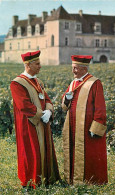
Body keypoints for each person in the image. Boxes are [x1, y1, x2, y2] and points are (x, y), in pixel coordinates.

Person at [10, 50, 60, 189]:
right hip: (29, 124)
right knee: (31, 152)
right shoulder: (17, 83)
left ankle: (46, 179)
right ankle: (31, 182)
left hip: (42, 122)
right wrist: (40, 115)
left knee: (43, 150)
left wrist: (49, 111)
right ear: (28, 65)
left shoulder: (38, 81)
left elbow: (47, 99)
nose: (40, 66)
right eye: (37, 64)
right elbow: (23, 105)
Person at [62, 55, 108, 185]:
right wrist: (67, 98)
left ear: (84, 68)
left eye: (76, 68)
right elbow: (64, 106)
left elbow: (100, 107)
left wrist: (96, 127)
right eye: (73, 68)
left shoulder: (94, 83)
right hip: (72, 125)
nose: (73, 71)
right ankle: (72, 180)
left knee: (89, 155)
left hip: (87, 127)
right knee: (72, 151)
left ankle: (89, 182)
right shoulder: (73, 83)